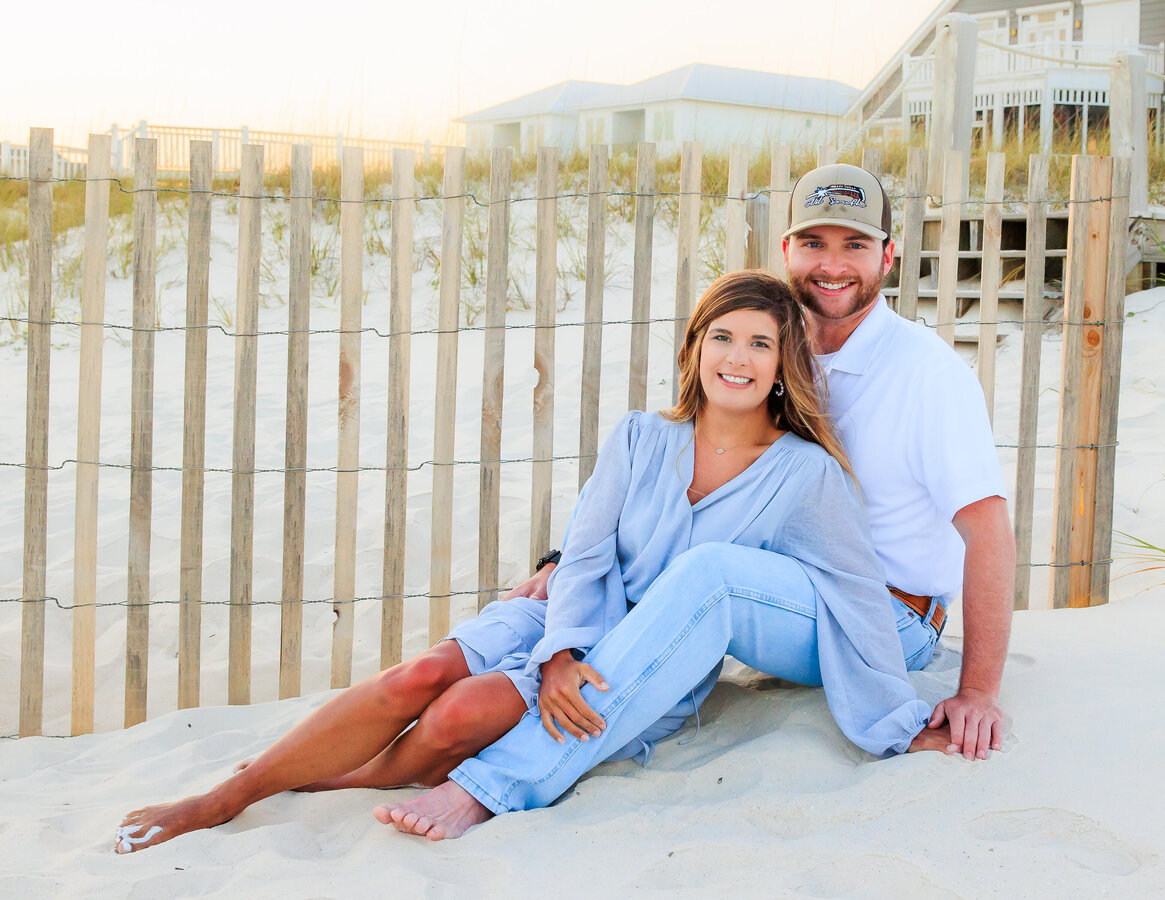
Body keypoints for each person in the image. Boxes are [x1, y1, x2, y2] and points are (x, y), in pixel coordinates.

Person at [373, 266, 952, 840]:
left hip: (895, 619)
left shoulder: (883, 399)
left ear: (782, 367)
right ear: (696, 347)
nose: (738, 356)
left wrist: (900, 720)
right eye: (722, 338)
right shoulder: (650, 435)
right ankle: (345, 773)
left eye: (758, 346)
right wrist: (559, 635)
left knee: (710, 571)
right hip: (770, 607)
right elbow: (593, 542)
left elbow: (855, 588)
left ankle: (494, 786)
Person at [482, 163, 1013, 765]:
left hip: (885, 619)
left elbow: (988, 531)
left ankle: (513, 771)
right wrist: (568, 560)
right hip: (782, 593)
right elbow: (669, 449)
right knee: (540, 619)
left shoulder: (928, 375)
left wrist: (976, 692)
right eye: (814, 243)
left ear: (887, 257)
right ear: (787, 250)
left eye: (855, 246)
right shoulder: (765, 347)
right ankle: (493, 713)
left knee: (715, 578)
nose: (832, 265)